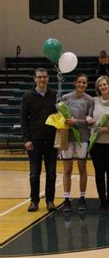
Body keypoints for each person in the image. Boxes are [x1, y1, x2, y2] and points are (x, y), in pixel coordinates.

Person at [20, 68, 58, 212]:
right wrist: (26, 139)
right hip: (34, 141)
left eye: (45, 77)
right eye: (39, 77)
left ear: (48, 78)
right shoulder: (27, 96)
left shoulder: (54, 95)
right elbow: (23, 119)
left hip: (51, 140)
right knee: (34, 174)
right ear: (34, 79)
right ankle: (34, 201)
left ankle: (50, 201)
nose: (42, 79)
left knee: (51, 173)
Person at [61, 74, 95, 212]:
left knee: (82, 169)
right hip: (67, 137)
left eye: (84, 83)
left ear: (86, 85)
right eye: (79, 82)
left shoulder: (90, 100)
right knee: (67, 169)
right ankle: (66, 198)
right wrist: (65, 121)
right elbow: (60, 117)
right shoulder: (65, 98)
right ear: (75, 83)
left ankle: (82, 197)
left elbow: (89, 120)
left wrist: (76, 122)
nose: (81, 84)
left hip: (82, 137)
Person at [89, 76, 109, 210]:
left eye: (105, 84)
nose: (103, 87)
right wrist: (88, 118)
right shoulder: (93, 101)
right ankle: (102, 199)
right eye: (100, 85)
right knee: (99, 172)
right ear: (98, 88)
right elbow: (87, 116)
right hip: (96, 143)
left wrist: (108, 129)